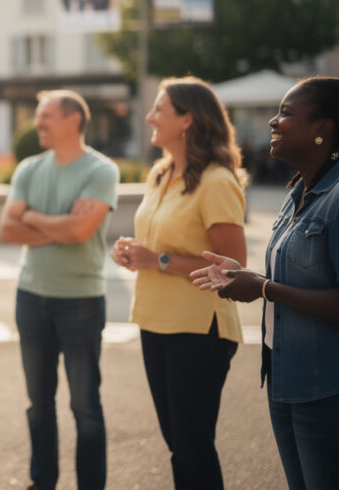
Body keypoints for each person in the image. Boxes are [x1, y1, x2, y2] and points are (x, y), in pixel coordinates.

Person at [192, 76, 339, 490]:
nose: (274, 122)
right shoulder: (297, 193)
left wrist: (262, 288)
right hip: (284, 377)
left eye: (287, 113)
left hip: (325, 388)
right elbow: (300, 274)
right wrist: (243, 273)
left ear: (322, 129)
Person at [110, 77, 247, 490]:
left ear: (187, 120)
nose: (149, 116)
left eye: (159, 110)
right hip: (155, 321)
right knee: (178, 446)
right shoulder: (160, 173)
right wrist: (134, 252)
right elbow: (160, 245)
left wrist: (160, 260)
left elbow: (234, 268)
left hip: (199, 329)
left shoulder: (218, 181)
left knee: (192, 447)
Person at [0, 90, 118, 490]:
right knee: (39, 404)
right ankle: (42, 482)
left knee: (85, 406)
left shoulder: (101, 170)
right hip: (31, 297)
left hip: (81, 300)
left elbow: (80, 231)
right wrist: (56, 224)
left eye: (46, 115)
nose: (38, 123)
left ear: (73, 120)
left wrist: (32, 217)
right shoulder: (29, 169)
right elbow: (7, 229)